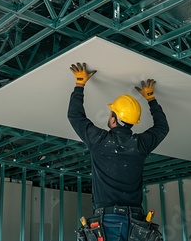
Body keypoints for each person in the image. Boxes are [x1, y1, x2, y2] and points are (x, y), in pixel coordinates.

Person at [68, 62, 169, 241]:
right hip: (131, 219)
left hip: (118, 220)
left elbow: (75, 116)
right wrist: (151, 98)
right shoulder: (138, 145)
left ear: (113, 119)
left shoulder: (101, 141)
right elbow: (162, 128)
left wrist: (80, 84)